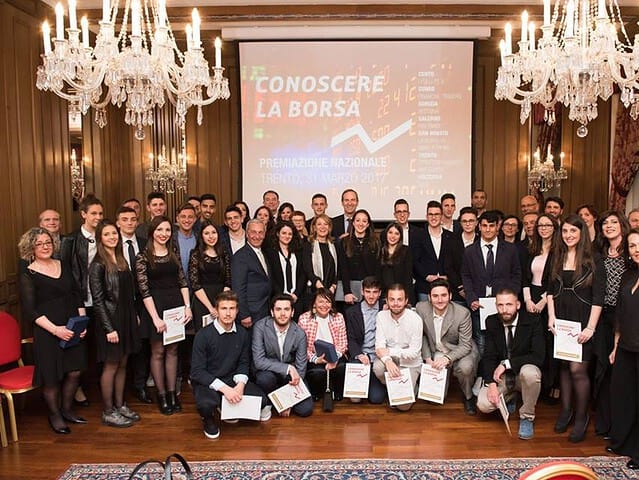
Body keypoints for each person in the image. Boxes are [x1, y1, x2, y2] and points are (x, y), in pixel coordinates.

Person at [19, 227, 88, 434]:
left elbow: (76, 294)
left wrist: (82, 322)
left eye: (47, 242)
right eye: (39, 244)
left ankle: (67, 409)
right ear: (31, 248)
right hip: (48, 331)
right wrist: (56, 330)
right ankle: (54, 415)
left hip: (71, 326)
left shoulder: (62, 264)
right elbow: (30, 311)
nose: (45, 247)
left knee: (75, 371)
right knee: (51, 377)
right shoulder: (28, 273)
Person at [547, 214, 605, 442]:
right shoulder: (556, 256)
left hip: (583, 321)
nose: (568, 235)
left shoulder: (594, 259)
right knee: (564, 366)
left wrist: (591, 328)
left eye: (573, 231)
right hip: (561, 320)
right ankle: (566, 410)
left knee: (577, 370)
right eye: (565, 231)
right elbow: (550, 291)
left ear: (581, 233)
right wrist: (551, 317)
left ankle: (581, 417)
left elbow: (598, 298)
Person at [191, 291, 271, 439]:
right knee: (206, 405)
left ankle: (226, 406)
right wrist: (225, 390)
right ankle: (208, 419)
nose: (228, 313)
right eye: (224, 308)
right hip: (209, 381)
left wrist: (240, 386)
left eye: (232, 308)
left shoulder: (242, 333)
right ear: (217, 310)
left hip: (231, 379)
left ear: (237, 311)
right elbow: (197, 371)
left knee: (262, 400)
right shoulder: (203, 335)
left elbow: (243, 362)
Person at [135, 216, 192, 415]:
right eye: (160, 229)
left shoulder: (173, 252)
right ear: (152, 231)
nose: (164, 234)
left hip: (175, 305)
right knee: (158, 351)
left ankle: (172, 393)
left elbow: (183, 281)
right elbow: (144, 291)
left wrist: (187, 307)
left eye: (167, 230)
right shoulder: (142, 257)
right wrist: (155, 318)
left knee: (173, 350)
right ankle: (161, 395)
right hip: (155, 307)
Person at [89, 220, 140, 428]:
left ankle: (120, 405)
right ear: (100, 238)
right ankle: (108, 411)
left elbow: (128, 293)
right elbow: (98, 301)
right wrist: (109, 328)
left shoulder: (120, 259)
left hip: (126, 318)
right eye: (107, 234)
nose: (112, 237)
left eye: (114, 234)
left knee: (123, 363)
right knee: (111, 365)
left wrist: (135, 315)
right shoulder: (97, 264)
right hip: (110, 321)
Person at [476, 289, 545, 440]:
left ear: (518, 305)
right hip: (503, 377)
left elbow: (538, 356)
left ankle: (527, 417)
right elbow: (488, 356)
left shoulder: (533, 320)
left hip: (523, 373)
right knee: (483, 404)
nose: (504, 310)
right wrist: (491, 384)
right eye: (500, 305)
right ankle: (511, 396)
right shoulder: (492, 321)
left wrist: (507, 364)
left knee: (531, 374)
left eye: (509, 304)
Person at [461, 210, 522, 352]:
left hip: (503, 305)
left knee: (504, 340)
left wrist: (511, 297)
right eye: (484, 226)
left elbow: (516, 275)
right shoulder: (469, 251)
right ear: (479, 227)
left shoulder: (510, 249)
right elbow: (466, 275)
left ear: (497, 227)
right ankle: (484, 367)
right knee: (481, 341)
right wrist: (471, 297)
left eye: (491, 225)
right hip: (479, 304)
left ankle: (505, 365)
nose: (488, 229)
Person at [417, 279, 479, 414]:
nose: (440, 300)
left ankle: (468, 396)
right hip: (436, 350)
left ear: (450, 296)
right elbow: (422, 335)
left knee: (465, 368)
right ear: (429, 297)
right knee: (435, 399)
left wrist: (447, 359)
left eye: (444, 295)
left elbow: (465, 345)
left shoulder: (462, 313)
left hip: (459, 349)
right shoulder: (421, 308)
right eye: (435, 296)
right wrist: (427, 358)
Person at [593, 211, 629, 438]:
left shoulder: (631, 253)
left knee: (621, 371)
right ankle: (604, 423)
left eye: (614, 222)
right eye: (605, 223)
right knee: (603, 369)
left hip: (625, 317)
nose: (609, 226)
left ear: (622, 224)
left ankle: (620, 425)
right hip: (602, 316)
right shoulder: (599, 253)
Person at [608, 229, 639, 470]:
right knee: (624, 396)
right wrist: (616, 345)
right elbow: (619, 312)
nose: (636, 249)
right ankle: (624, 442)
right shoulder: (629, 275)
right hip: (626, 346)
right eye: (632, 246)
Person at [252, 294, 313, 417]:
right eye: (278, 309)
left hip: (290, 378)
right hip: (269, 373)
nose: (283, 313)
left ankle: (278, 400)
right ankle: (271, 401)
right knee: (264, 379)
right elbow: (258, 361)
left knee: (305, 410)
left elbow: (301, 368)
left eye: (286, 309)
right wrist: (288, 368)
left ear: (292, 312)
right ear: (272, 312)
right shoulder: (260, 327)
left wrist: (288, 401)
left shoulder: (300, 333)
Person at [116, 205, 152, 405]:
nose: (129, 223)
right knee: (122, 348)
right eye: (125, 219)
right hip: (120, 302)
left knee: (142, 344)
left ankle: (140, 385)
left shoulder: (145, 243)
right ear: (118, 223)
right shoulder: (112, 244)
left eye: (132, 219)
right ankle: (120, 392)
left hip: (143, 299)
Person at [523, 214, 559, 403]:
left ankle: (552, 385)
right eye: (541, 225)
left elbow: (556, 280)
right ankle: (536, 384)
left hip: (551, 298)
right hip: (531, 298)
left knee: (550, 342)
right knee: (534, 341)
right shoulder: (532, 249)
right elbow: (525, 277)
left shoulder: (560, 251)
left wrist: (544, 301)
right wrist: (528, 300)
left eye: (548, 225)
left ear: (554, 227)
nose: (544, 228)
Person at [374, 284, 423, 411]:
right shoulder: (381, 316)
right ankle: (394, 388)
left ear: (406, 301)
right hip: (390, 359)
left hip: (410, 362)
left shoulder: (416, 320)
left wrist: (390, 351)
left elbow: (414, 352)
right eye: (392, 299)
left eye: (399, 299)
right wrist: (388, 361)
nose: (395, 303)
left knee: (403, 407)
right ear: (387, 301)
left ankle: (412, 387)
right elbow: (379, 346)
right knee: (378, 368)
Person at [298, 289, 348, 404]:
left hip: (335, 355)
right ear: (314, 303)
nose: (324, 305)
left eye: (328, 302)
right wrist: (316, 359)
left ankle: (337, 392)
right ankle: (317, 393)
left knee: (342, 367)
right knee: (317, 373)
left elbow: (343, 343)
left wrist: (334, 358)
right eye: (321, 301)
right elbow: (302, 347)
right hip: (314, 357)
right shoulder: (304, 319)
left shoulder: (338, 317)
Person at [344, 276, 386, 404]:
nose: (371, 296)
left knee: (376, 399)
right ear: (362, 292)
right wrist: (359, 354)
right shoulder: (352, 312)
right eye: (368, 292)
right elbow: (350, 338)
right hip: (361, 357)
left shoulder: (386, 309)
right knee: (355, 398)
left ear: (380, 293)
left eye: (375, 292)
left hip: (379, 358)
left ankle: (373, 382)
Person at [413, 201, 462, 303]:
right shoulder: (417, 236)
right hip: (425, 286)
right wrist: (427, 276)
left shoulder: (452, 237)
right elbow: (414, 260)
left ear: (441, 216)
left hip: (447, 285)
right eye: (430, 214)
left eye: (436, 214)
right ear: (426, 217)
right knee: (425, 313)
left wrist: (448, 277)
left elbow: (457, 262)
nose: (433, 217)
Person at [189, 220, 232, 332]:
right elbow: (195, 284)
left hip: (222, 298)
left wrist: (220, 304)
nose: (211, 236)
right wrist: (211, 308)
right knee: (204, 335)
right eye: (206, 233)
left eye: (213, 232)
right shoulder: (195, 254)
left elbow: (228, 280)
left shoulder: (224, 253)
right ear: (201, 236)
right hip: (202, 301)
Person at [232, 219, 271, 329]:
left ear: (264, 234)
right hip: (251, 313)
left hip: (264, 310)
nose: (257, 236)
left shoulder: (264, 253)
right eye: (253, 232)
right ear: (247, 234)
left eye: (260, 232)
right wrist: (244, 314)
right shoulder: (240, 256)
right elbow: (238, 288)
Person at [337, 209, 380, 305]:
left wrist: (375, 291)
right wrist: (347, 292)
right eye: (358, 220)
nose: (361, 224)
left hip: (370, 290)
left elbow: (378, 269)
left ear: (368, 224)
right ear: (353, 223)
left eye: (364, 221)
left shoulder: (375, 242)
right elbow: (343, 269)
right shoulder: (344, 242)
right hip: (350, 290)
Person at [264, 221, 306, 316]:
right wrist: (282, 296)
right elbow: (271, 276)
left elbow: (303, 274)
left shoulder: (298, 251)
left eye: (290, 234)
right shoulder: (270, 253)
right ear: (278, 234)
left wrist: (296, 294)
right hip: (278, 299)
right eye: (284, 233)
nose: (287, 236)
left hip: (297, 298)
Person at [302, 214, 338, 296]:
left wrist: (333, 286)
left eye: (326, 224)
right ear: (314, 227)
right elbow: (307, 269)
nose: (323, 227)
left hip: (331, 291)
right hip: (313, 290)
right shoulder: (308, 245)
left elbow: (338, 268)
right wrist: (320, 287)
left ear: (329, 227)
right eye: (319, 224)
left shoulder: (334, 245)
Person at [379, 222, 414, 305]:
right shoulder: (380, 251)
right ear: (386, 234)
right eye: (390, 232)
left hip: (400, 294)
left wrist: (407, 299)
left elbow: (408, 276)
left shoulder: (406, 251)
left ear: (400, 236)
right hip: (383, 295)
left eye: (396, 233)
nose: (393, 236)